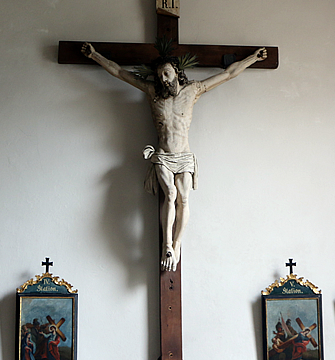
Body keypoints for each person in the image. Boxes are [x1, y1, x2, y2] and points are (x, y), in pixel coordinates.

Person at [82, 42, 267, 271]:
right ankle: (167, 244)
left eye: (167, 73)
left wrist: (252, 59)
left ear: (177, 73)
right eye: (160, 76)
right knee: (170, 194)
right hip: (163, 155)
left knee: (184, 198)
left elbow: (228, 74)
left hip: (184, 156)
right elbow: (120, 72)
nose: (163, 79)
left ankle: (177, 244)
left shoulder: (194, 90)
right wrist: (95, 56)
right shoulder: (152, 93)